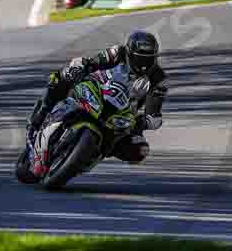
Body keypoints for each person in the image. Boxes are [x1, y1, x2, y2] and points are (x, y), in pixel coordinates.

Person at [24, 31, 167, 178]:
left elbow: (154, 110)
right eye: (140, 58)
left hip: (123, 114)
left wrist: (145, 121)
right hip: (99, 90)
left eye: (148, 59)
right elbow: (94, 62)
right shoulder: (117, 52)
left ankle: (90, 155)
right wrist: (83, 66)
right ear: (130, 53)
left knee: (140, 150)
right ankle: (42, 113)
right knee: (62, 76)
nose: (143, 64)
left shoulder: (158, 78)